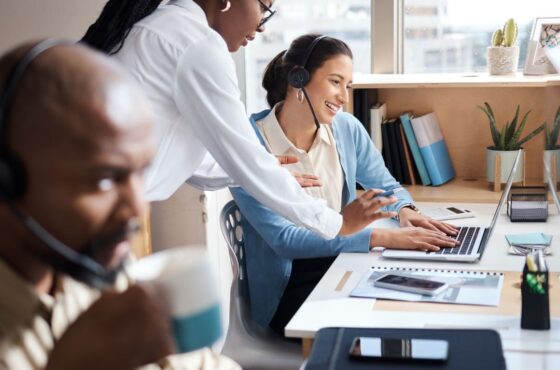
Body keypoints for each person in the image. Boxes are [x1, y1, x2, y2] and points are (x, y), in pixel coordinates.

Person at [0, 41, 238, 370]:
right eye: (105, 180)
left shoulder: (94, 262)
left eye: (142, 172)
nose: (137, 207)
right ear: (6, 179)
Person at [80, 0, 386, 240]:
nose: (262, 27)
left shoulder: (166, 27)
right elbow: (245, 156)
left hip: (89, 202)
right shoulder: (197, 45)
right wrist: (339, 222)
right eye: (263, 8)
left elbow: (187, 160)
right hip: (90, 211)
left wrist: (259, 171)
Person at [229, 34, 460, 334]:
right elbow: (285, 240)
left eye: (347, 86)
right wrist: (378, 238)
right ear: (298, 78)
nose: (344, 98)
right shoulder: (248, 143)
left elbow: (387, 186)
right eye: (335, 82)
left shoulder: (346, 129)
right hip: (289, 287)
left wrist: (405, 209)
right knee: (377, 326)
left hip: (344, 264)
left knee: (422, 301)